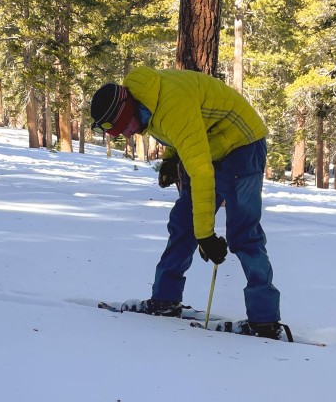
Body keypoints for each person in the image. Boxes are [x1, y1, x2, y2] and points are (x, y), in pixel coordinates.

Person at [90, 66, 283, 339]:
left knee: (244, 233)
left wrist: (206, 235)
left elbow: (200, 168)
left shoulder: (168, 105)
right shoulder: (146, 100)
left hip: (243, 143)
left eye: (126, 128)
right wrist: (170, 159)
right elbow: (182, 128)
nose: (127, 135)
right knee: (182, 223)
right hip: (210, 143)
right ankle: (165, 300)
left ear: (128, 111)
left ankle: (265, 322)